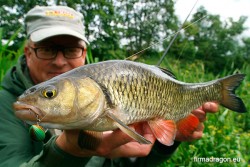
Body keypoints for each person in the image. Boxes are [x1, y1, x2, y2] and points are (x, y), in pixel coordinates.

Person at [0, 5, 218, 167]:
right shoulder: (6, 103)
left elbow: (126, 164)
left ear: (84, 53)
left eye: (71, 50)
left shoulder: (92, 103)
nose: (59, 61)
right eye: (47, 49)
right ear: (28, 52)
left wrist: (164, 142)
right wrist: (69, 151)